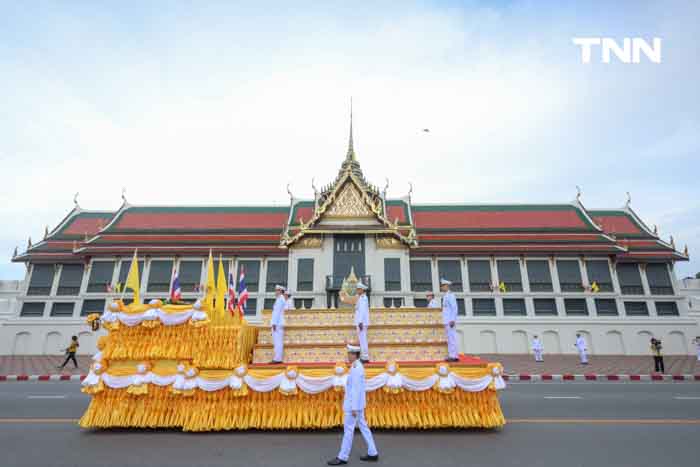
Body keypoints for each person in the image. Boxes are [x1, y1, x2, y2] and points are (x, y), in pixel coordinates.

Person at [327, 344, 379, 465]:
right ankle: (373, 452)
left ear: (354, 354)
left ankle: (343, 457)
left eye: (349, 354)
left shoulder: (356, 368)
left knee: (348, 430)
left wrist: (354, 407)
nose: (348, 356)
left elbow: (356, 389)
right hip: (357, 404)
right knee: (364, 428)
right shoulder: (357, 366)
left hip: (353, 406)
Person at [340, 282, 371, 363]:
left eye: (358, 289)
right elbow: (350, 300)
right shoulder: (360, 297)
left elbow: (362, 311)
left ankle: (365, 357)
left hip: (362, 322)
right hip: (361, 322)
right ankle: (364, 356)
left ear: (362, 290)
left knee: (363, 340)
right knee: (362, 340)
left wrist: (360, 322)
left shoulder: (363, 298)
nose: (357, 290)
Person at [440, 278, 459, 362]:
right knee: (449, 338)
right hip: (447, 320)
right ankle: (452, 355)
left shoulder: (451, 295)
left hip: (450, 321)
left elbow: (454, 308)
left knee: (452, 338)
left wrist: (452, 320)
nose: (441, 287)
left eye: (443, 286)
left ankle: (454, 356)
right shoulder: (446, 295)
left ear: (447, 286)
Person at [270, 285, 286, 364]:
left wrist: (274, 323)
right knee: (278, 341)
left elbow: (277, 313)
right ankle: (277, 358)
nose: (275, 292)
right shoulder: (280, 299)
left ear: (280, 291)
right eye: (275, 290)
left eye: (277, 290)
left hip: (277, 323)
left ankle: (277, 359)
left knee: (277, 341)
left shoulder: (280, 299)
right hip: (278, 323)